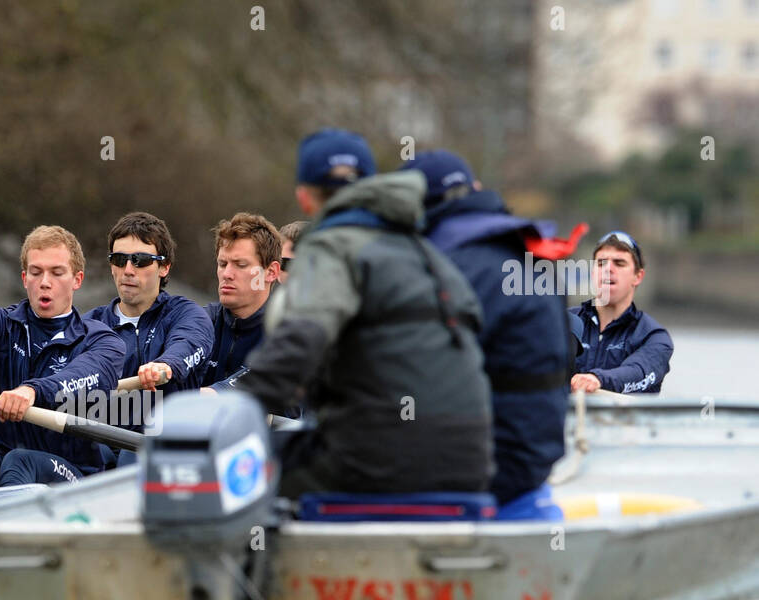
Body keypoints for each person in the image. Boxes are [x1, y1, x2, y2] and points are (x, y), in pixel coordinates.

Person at [238, 128, 493, 497]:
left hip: (383, 460)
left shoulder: (331, 248)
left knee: (239, 474)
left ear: (305, 198)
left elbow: (301, 340)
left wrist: (235, 404)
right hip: (472, 460)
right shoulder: (426, 252)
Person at [403, 149, 576, 518]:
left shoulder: (446, 267)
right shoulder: (526, 252)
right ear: (476, 190)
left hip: (478, 478)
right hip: (533, 471)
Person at [0, 225, 126, 486]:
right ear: (24, 278)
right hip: (1, 455)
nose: (45, 282)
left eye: (57, 273)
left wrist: (31, 391)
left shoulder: (103, 342)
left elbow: (78, 376)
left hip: (73, 473)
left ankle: (6, 526)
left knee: (20, 460)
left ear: (77, 280)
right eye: (36, 272)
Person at [86, 211, 214, 403]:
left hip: (168, 431)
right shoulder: (87, 325)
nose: (128, 270)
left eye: (140, 260)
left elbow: (189, 343)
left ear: (165, 267)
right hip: (100, 431)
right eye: (119, 259)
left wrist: (165, 366)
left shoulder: (187, 315)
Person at [570, 231, 673, 394]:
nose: (608, 269)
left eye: (619, 263)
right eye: (601, 263)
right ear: (593, 273)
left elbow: (639, 371)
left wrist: (597, 379)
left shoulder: (654, 337)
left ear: (638, 277)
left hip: (626, 420)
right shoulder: (564, 322)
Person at [197, 212, 282, 389]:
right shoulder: (201, 321)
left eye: (241, 265)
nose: (227, 274)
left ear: (271, 272)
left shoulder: (288, 333)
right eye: (222, 264)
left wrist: (211, 395)